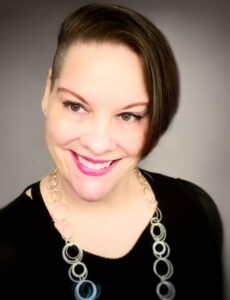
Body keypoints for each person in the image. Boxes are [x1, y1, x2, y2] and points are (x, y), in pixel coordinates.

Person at [0, 3, 223, 300]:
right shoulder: (5, 247)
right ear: (47, 91)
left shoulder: (197, 210)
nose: (98, 143)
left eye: (128, 115)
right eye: (76, 106)